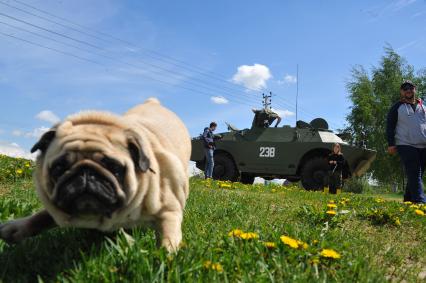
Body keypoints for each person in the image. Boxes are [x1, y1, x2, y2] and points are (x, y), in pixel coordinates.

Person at [386, 80, 426, 204]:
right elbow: (390, 126)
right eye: (405, 88)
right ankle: (420, 202)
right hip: (405, 144)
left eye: (410, 87)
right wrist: (391, 143)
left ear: (415, 89)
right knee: (414, 171)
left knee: (417, 174)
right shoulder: (397, 107)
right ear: (401, 91)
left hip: (423, 145)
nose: (408, 90)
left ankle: (408, 199)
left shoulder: (423, 107)